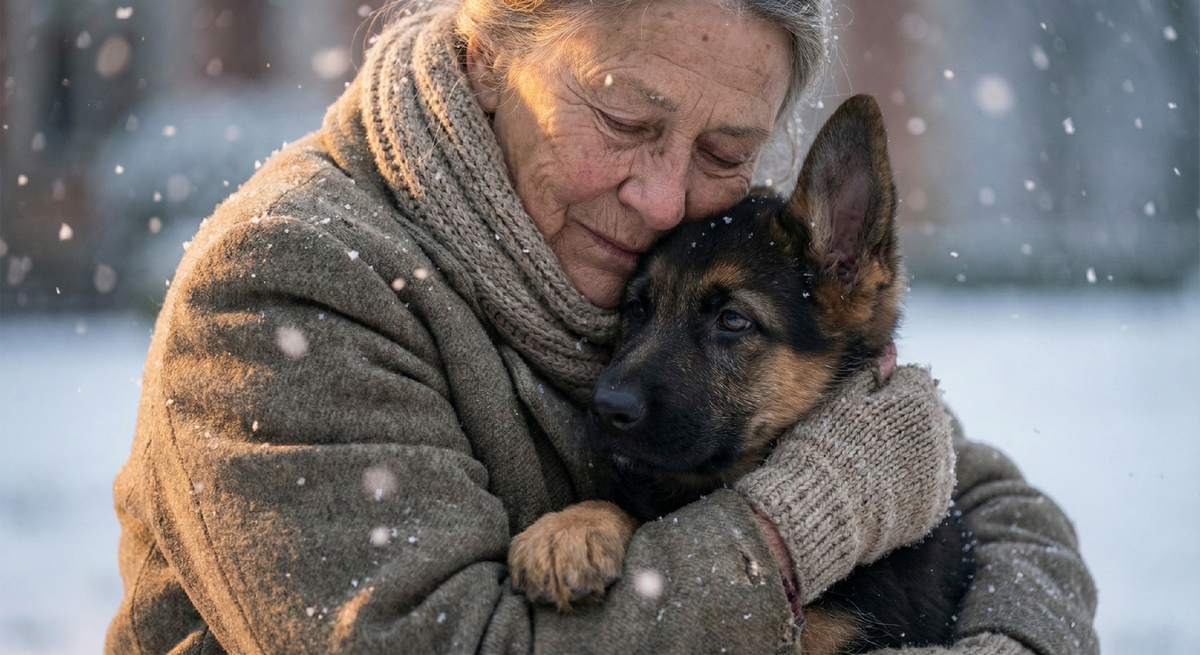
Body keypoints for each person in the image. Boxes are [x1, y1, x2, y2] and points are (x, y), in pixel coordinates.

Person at [105, 0, 1098, 652]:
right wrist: (783, 536)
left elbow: (1003, 513)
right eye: (625, 122)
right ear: (483, 56)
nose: (665, 196)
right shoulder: (285, 287)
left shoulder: (672, 254)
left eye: (723, 145)